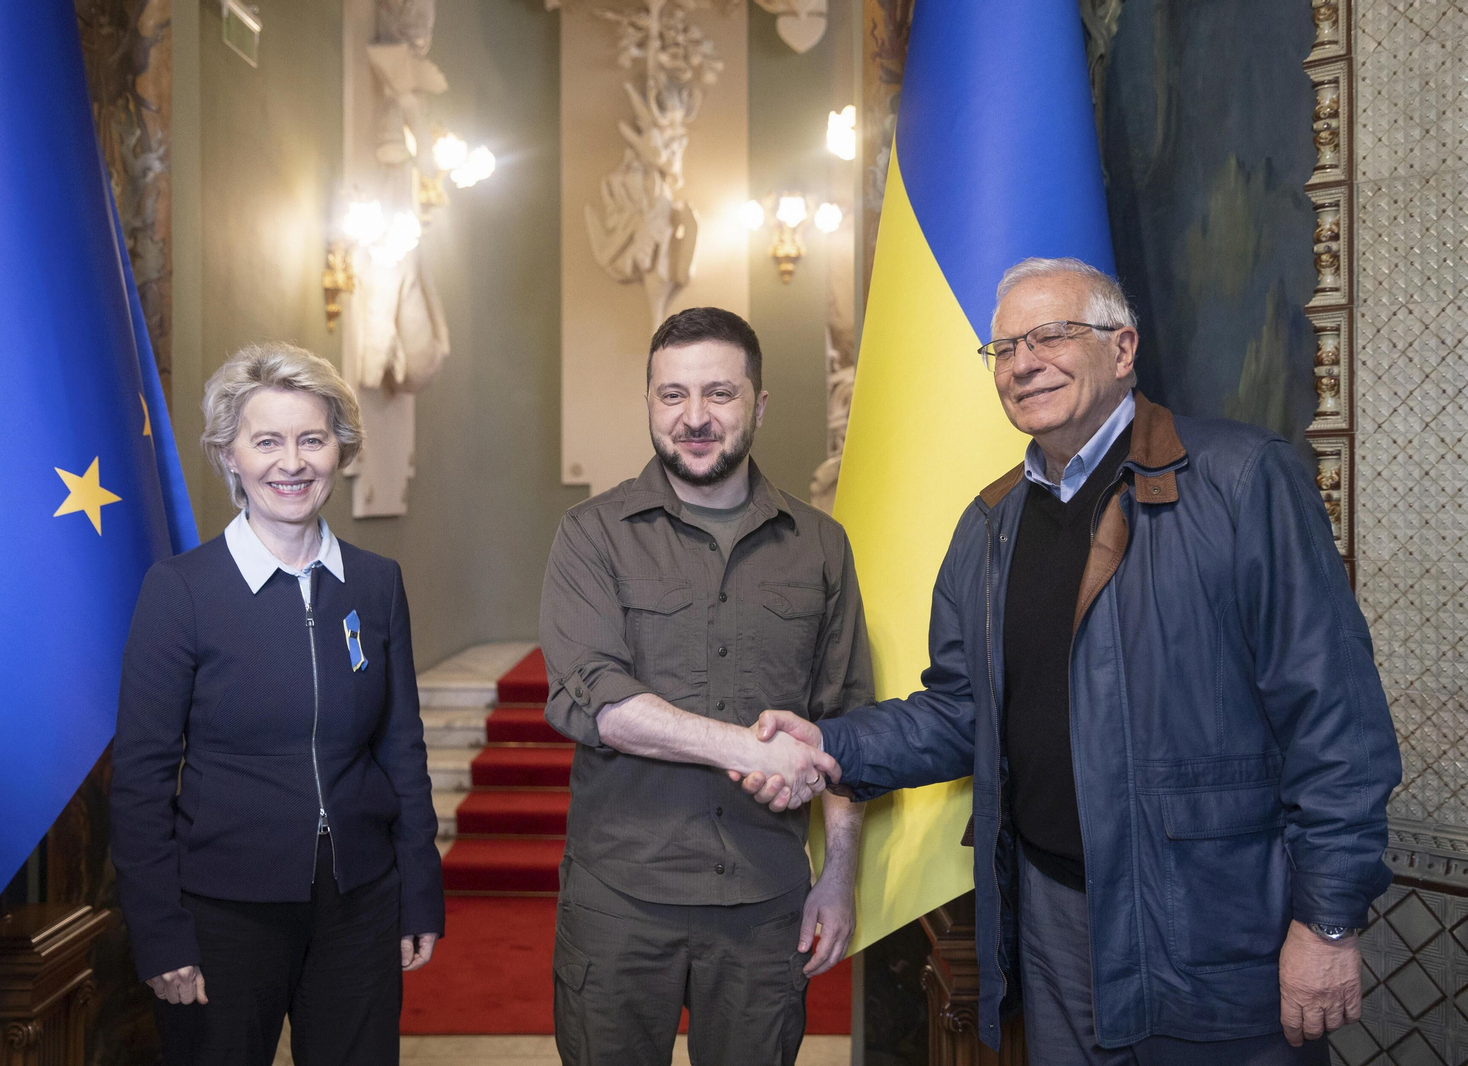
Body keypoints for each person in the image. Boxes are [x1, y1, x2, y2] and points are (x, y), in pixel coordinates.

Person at [743, 258, 1402, 1065]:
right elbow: (961, 713)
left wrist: (1328, 920)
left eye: (1051, 335)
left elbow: (1336, 721)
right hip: (1051, 921)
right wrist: (828, 744)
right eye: (1005, 348)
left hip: (1212, 924)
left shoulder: (1243, 483)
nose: (1023, 362)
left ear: (1122, 349)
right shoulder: (989, 526)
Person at [538, 307, 874, 1066]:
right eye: (672, 395)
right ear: (650, 402)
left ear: (759, 405)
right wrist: (752, 753)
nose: (694, 418)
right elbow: (599, 701)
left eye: (719, 395)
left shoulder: (820, 545)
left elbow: (848, 723)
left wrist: (841, 879)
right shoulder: (591, 535)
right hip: (620, 903)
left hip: (765, 906)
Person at [110, 342, 444, 1066]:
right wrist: (160, 932)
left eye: (311, 439)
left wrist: (419, 888)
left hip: (360, 901)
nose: (291, 463)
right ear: (230, 456)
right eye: (267, 441)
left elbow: (402, 749)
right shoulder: (181, 592)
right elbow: (139, 780)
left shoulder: (375, 584)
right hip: (223, 912)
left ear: (338, 449)